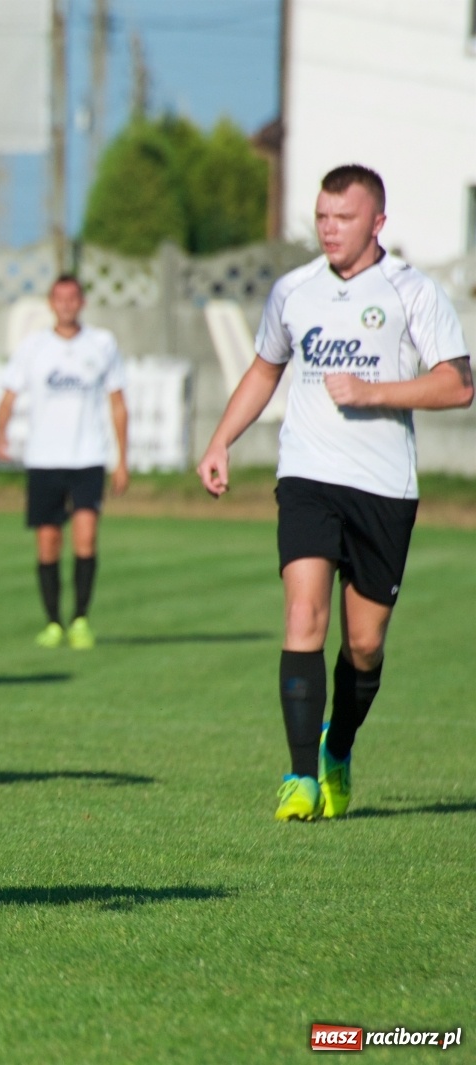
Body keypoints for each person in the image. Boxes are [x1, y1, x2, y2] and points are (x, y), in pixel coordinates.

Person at [196, 165, 471, 822]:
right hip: (307, 477)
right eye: (322, 217)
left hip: (383, 488)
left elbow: (459, 385)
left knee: (365, 644)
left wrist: (374, 391)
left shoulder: (411, 291)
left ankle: (337, 747)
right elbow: (265, 370)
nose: (329, 229)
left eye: (343, 218)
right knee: (303, 617)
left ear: (377, 223)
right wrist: (219, 441)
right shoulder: (293, 291)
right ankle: (298, 778)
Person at [0, 275, 129, 650]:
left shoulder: (101, 344)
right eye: (60, 298)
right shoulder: (34, 347)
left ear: (82, 302)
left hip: (88, 457)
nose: (67, 304)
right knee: (48, 541)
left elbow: (118, 403)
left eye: (73, 298)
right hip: (44, 458)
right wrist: (1, 434)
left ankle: (81, 619)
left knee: (86, 538)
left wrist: (122, 460)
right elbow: (7, 396)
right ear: (51, 304)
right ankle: (53, 621)